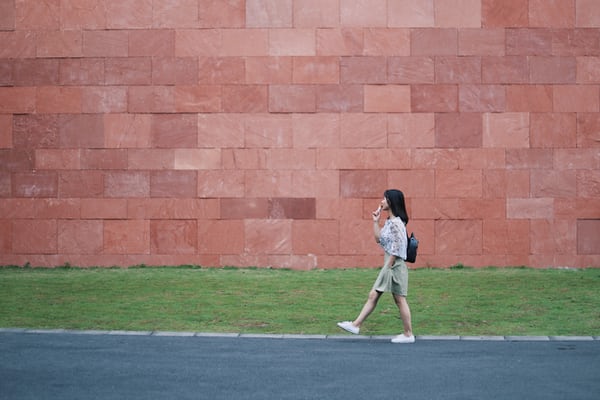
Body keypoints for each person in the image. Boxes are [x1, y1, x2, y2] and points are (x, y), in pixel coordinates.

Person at [337, 189, 415, 344]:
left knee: (391, 298)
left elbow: (399, 247)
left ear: (391, 202)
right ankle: (357, 325)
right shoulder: (389, 222)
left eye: (385, 199)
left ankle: (407, 334)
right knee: (388, 297)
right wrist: (375, 221)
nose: (382, 201)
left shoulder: (397, 223)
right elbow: (379, 239)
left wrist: (390, 264)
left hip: (394, 265)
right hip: (391, 263)